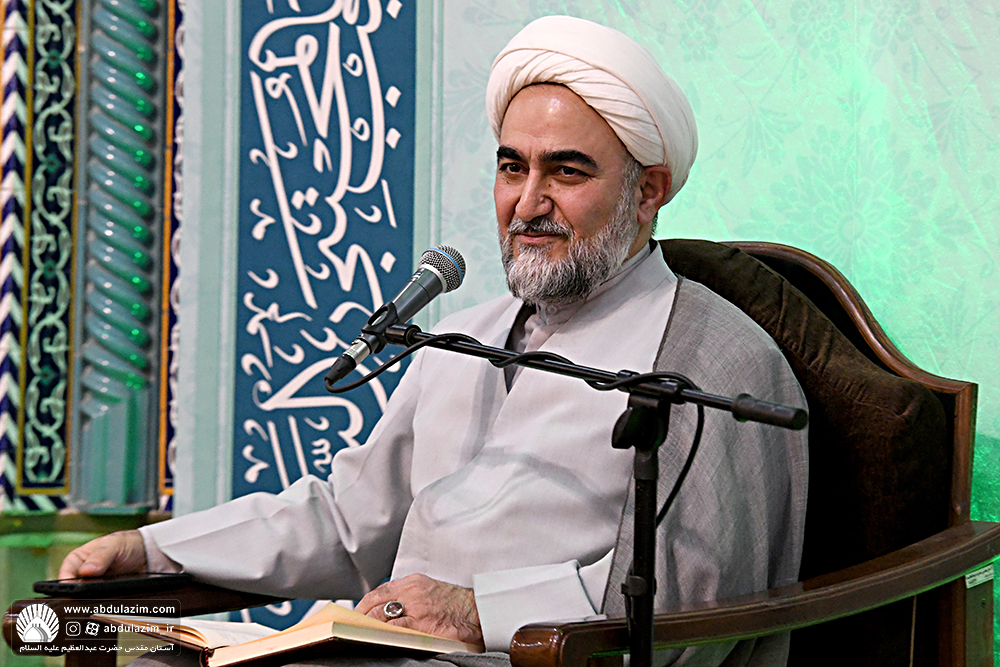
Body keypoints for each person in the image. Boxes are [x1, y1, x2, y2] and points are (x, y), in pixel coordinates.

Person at [60, 16, 808, 667]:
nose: (528, 202)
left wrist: (476, 612)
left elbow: (697, 597)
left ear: (648, 191)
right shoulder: (460, 338)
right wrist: (156, 548)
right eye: (512, 167)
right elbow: (350, 523)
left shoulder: (713, 360)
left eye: (566, 171)